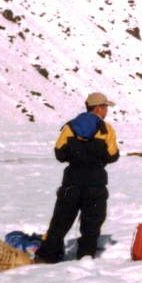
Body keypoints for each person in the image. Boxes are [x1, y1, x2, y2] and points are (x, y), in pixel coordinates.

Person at [34, 92, 120, 263]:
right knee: (91, 226)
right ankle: (85, 259)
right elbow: (113, 155)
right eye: (105, 107)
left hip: (71, 182)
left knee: (60, 223)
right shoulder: (106, 129)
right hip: (95, 183)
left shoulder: (70, 127)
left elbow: (59, 154)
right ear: (98, 108)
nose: (107, 111)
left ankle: (46, 258)